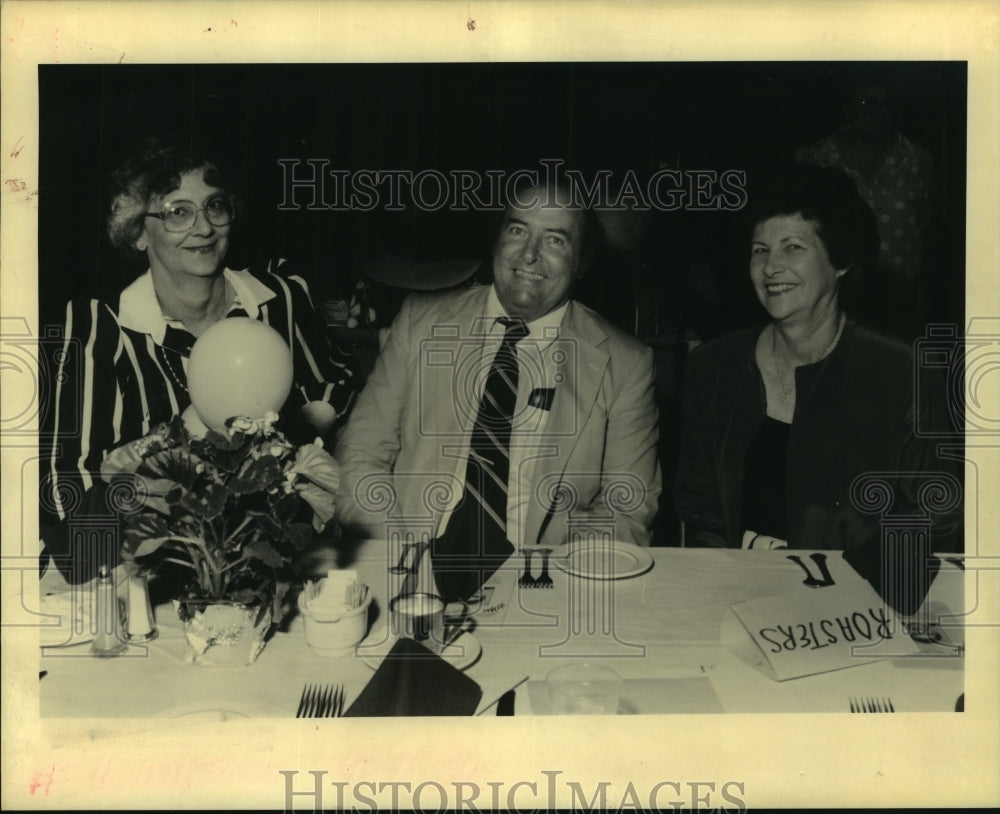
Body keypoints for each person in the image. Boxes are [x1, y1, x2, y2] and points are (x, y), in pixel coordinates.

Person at [40, 137, 358, 582]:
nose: (204, 227)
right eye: (177, 212)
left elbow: (335, 390)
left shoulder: (280, 299)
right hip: (147, 574)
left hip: (270, 564)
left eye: (215, 206)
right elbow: (66, 504)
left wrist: (301, 432)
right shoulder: (100, 327)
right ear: (137, 232)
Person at [335, 180, 661, 601]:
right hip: (409, 570)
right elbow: (361, 455)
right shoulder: (420, 323)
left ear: (581, 261)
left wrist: (540, 584)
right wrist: (403, 563)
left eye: (556, 240)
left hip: (541, 585)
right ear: (497, 238)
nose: (529, 254)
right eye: (518, 230)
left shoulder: (626, 363)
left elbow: (626, 510)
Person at [674, 165, 961, 554]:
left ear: (840, 261)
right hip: (737, 583)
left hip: (859, 588)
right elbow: (699, 508)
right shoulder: (713, 366)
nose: (770, 266)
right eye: (760, 250)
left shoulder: (902, 371)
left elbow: (938, 517)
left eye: (792, 247)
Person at [796, 79, 934, 339]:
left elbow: (925, 217)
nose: (878, 111)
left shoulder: (917, 158)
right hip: (839, 297)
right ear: (848, 110)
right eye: (866, 102)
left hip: (900, 295)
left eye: (886, 104)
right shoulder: (820, 158)